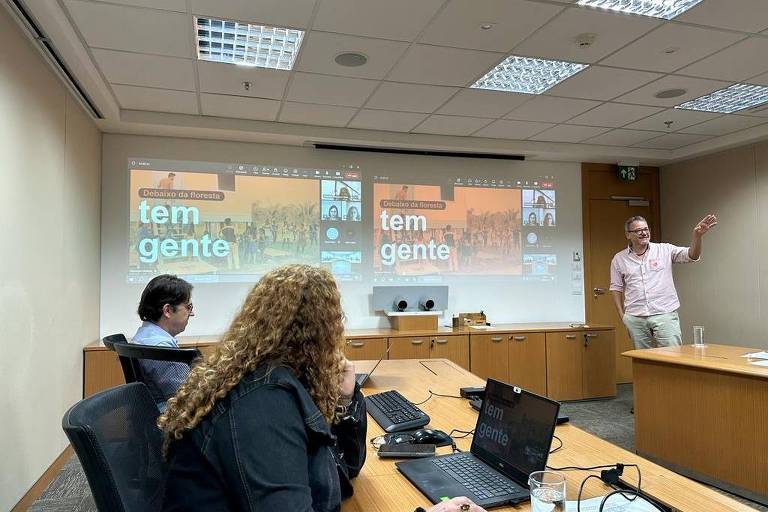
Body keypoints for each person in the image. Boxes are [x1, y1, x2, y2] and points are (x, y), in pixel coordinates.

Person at [610, 214, 717, 349]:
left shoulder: (664, 249)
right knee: (643, 361)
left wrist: (697, 236)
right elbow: (616, 288)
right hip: (635, 317)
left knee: (672, 356)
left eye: (646, 229)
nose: (644, 233)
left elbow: (692, 256)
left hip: (664, 313)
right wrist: (623, 316)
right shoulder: (619, 259)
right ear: (628, 235)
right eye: (638, 230)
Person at [133, 274, 195, 409]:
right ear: (167, 310)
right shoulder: (162, 350)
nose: (192, 313)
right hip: (173, 417)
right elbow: (189, 397)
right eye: (188, 307)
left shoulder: (144, 335)